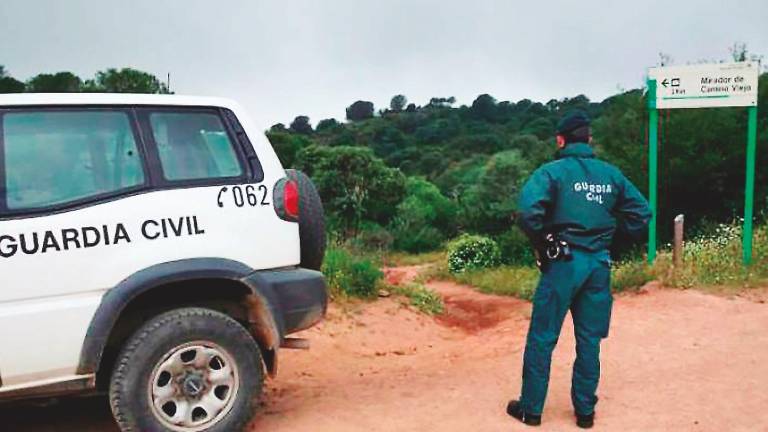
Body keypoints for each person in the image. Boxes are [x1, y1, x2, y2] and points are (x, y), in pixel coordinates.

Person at [506, 111, 651, 429]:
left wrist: (544, 241)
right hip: (597, 264)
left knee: (543, 337)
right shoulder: (611, 175)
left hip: (562, 264)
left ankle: (531, 410)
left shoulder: (551, 172)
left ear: (560, 140)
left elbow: (528, 212)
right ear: (589, 139)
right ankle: (585, 413)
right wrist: (611, 238)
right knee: (589, 339)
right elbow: (642, 213)